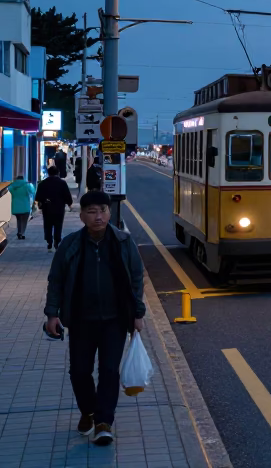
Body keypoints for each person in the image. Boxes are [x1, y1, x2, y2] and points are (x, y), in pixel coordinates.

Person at [44, 190, 146, 447]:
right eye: (92, 211)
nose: (98, 216)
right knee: (79, 372)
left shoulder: (123, 242)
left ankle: (103, 422)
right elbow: (56, 280)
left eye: (102, 211)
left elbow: (136, 279)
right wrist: (52, 314)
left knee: (109, 371)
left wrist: (137, 314)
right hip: (80, 319)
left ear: (110, 213)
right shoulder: (70, 244)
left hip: (115, 320)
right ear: (82, 216)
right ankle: (88, 411)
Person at [35, 167, 73, 251]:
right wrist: (69, 204)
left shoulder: (43, 183)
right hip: (59, 208)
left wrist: (40, 204)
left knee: (47, 225)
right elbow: (67, 195)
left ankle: (49, 241)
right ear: (58, 173)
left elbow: (38, 197)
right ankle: (57, 240)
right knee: (58, 225)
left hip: (47, 207)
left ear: (48, 173)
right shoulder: (62, 183)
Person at [8, 173, 34, 239]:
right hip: (25, 206)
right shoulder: (27, 185)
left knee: (19, 220)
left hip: (15, 206)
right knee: (24, 221)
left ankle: (19, 232)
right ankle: (22, 233)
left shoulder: (12, 186)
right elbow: (33, 192)